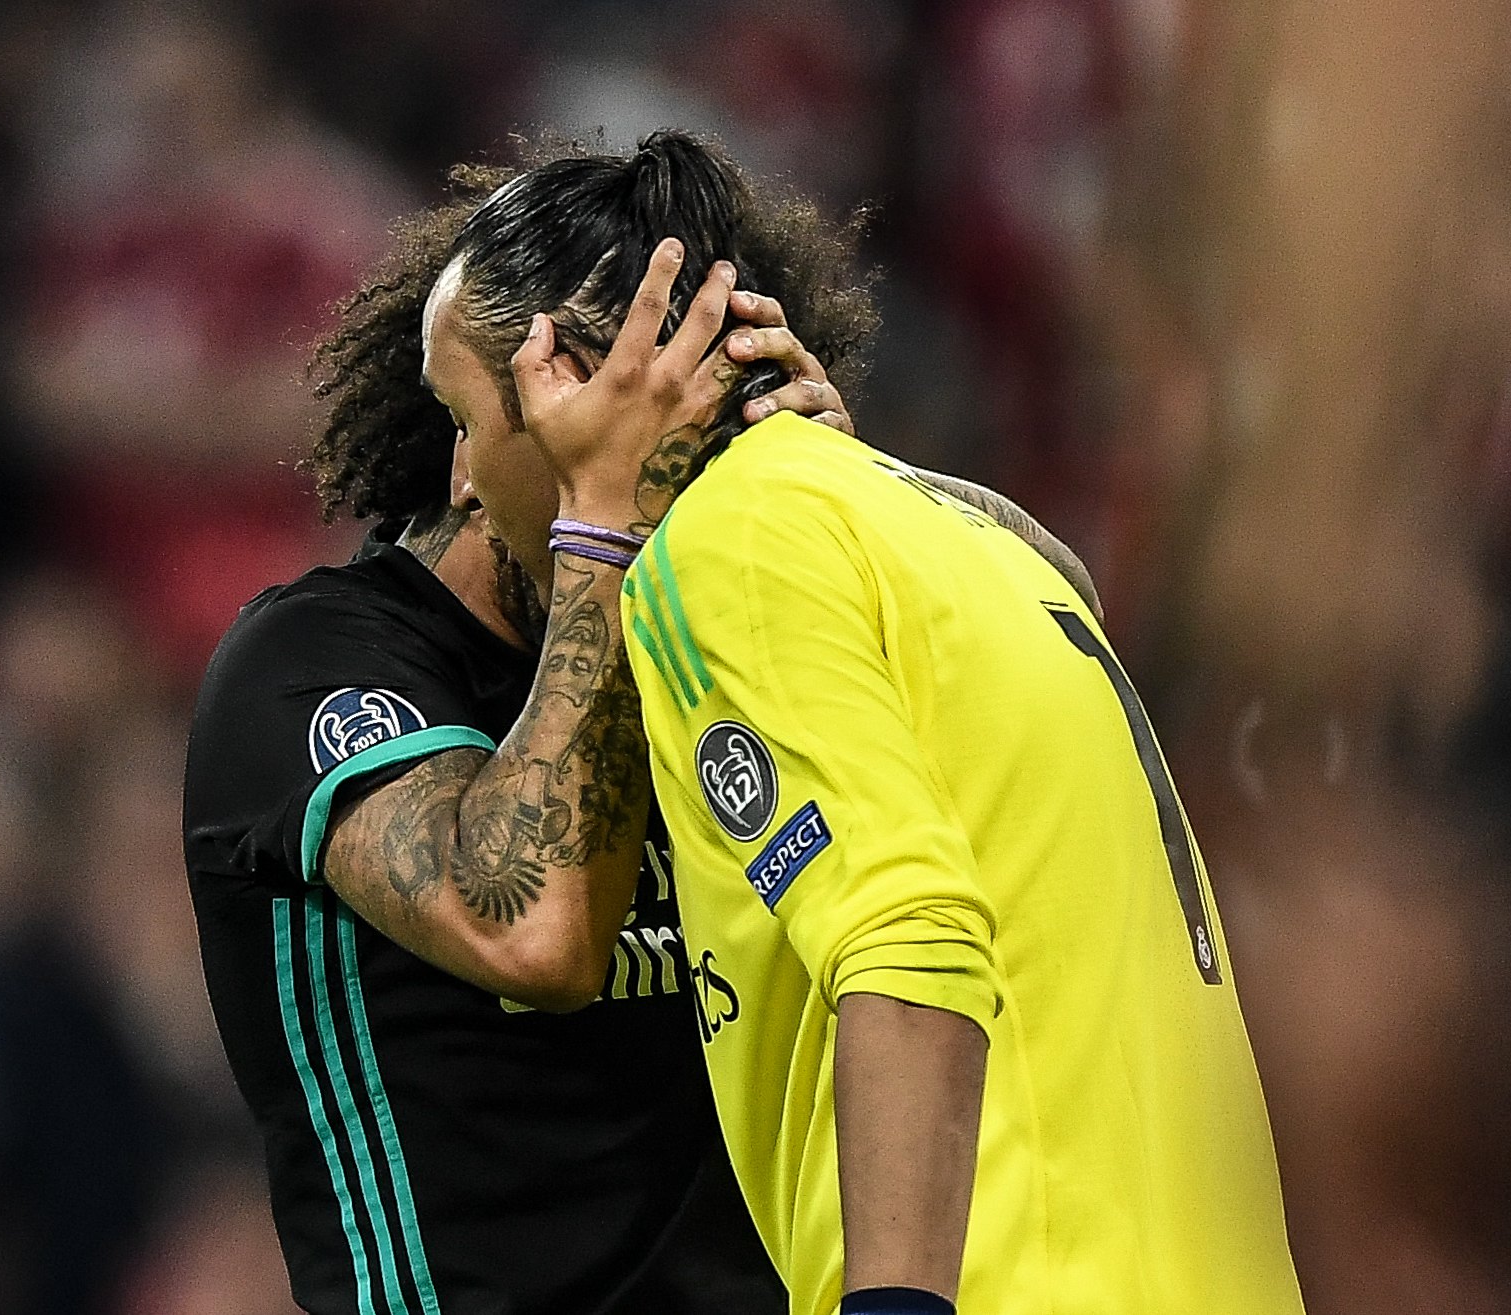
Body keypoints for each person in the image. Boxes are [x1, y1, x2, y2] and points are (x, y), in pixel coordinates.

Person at [184, 146, 1099, 1315]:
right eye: (452, 420)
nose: (458, 476)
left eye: (470, 421)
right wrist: (603, 528)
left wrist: (845, 492)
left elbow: (1061, 634)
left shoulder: (736, 623)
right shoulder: (311, 663)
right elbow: (538, 931)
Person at [426, 131, 1306, 1315]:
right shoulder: (977, 542)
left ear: (576, 380)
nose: (460, 481)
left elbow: (909, 939)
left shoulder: (725, 546)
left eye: (462, 416)